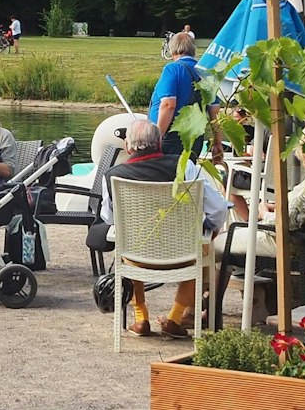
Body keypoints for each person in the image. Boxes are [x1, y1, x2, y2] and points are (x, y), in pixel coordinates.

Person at [97, 118, 238, 338]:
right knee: (202, 247)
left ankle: (140, 317)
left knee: (125, 244)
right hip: (182, 256)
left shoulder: (113, 176)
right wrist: (211, 228)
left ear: (128, 146)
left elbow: (108, 217)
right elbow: (218, 208)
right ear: (160, 143)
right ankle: (175, 317)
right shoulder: (184, 167)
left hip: (136, 255)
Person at [148, 31, 223, 161]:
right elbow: (215, 112)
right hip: (195, 138)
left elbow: (168, 105)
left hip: (170, 138)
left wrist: (157, 139)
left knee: (165, 178)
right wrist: (217, 143)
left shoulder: (172, 69)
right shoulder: (207, 72)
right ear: (193, 49)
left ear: (172, 50)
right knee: (187, 175)